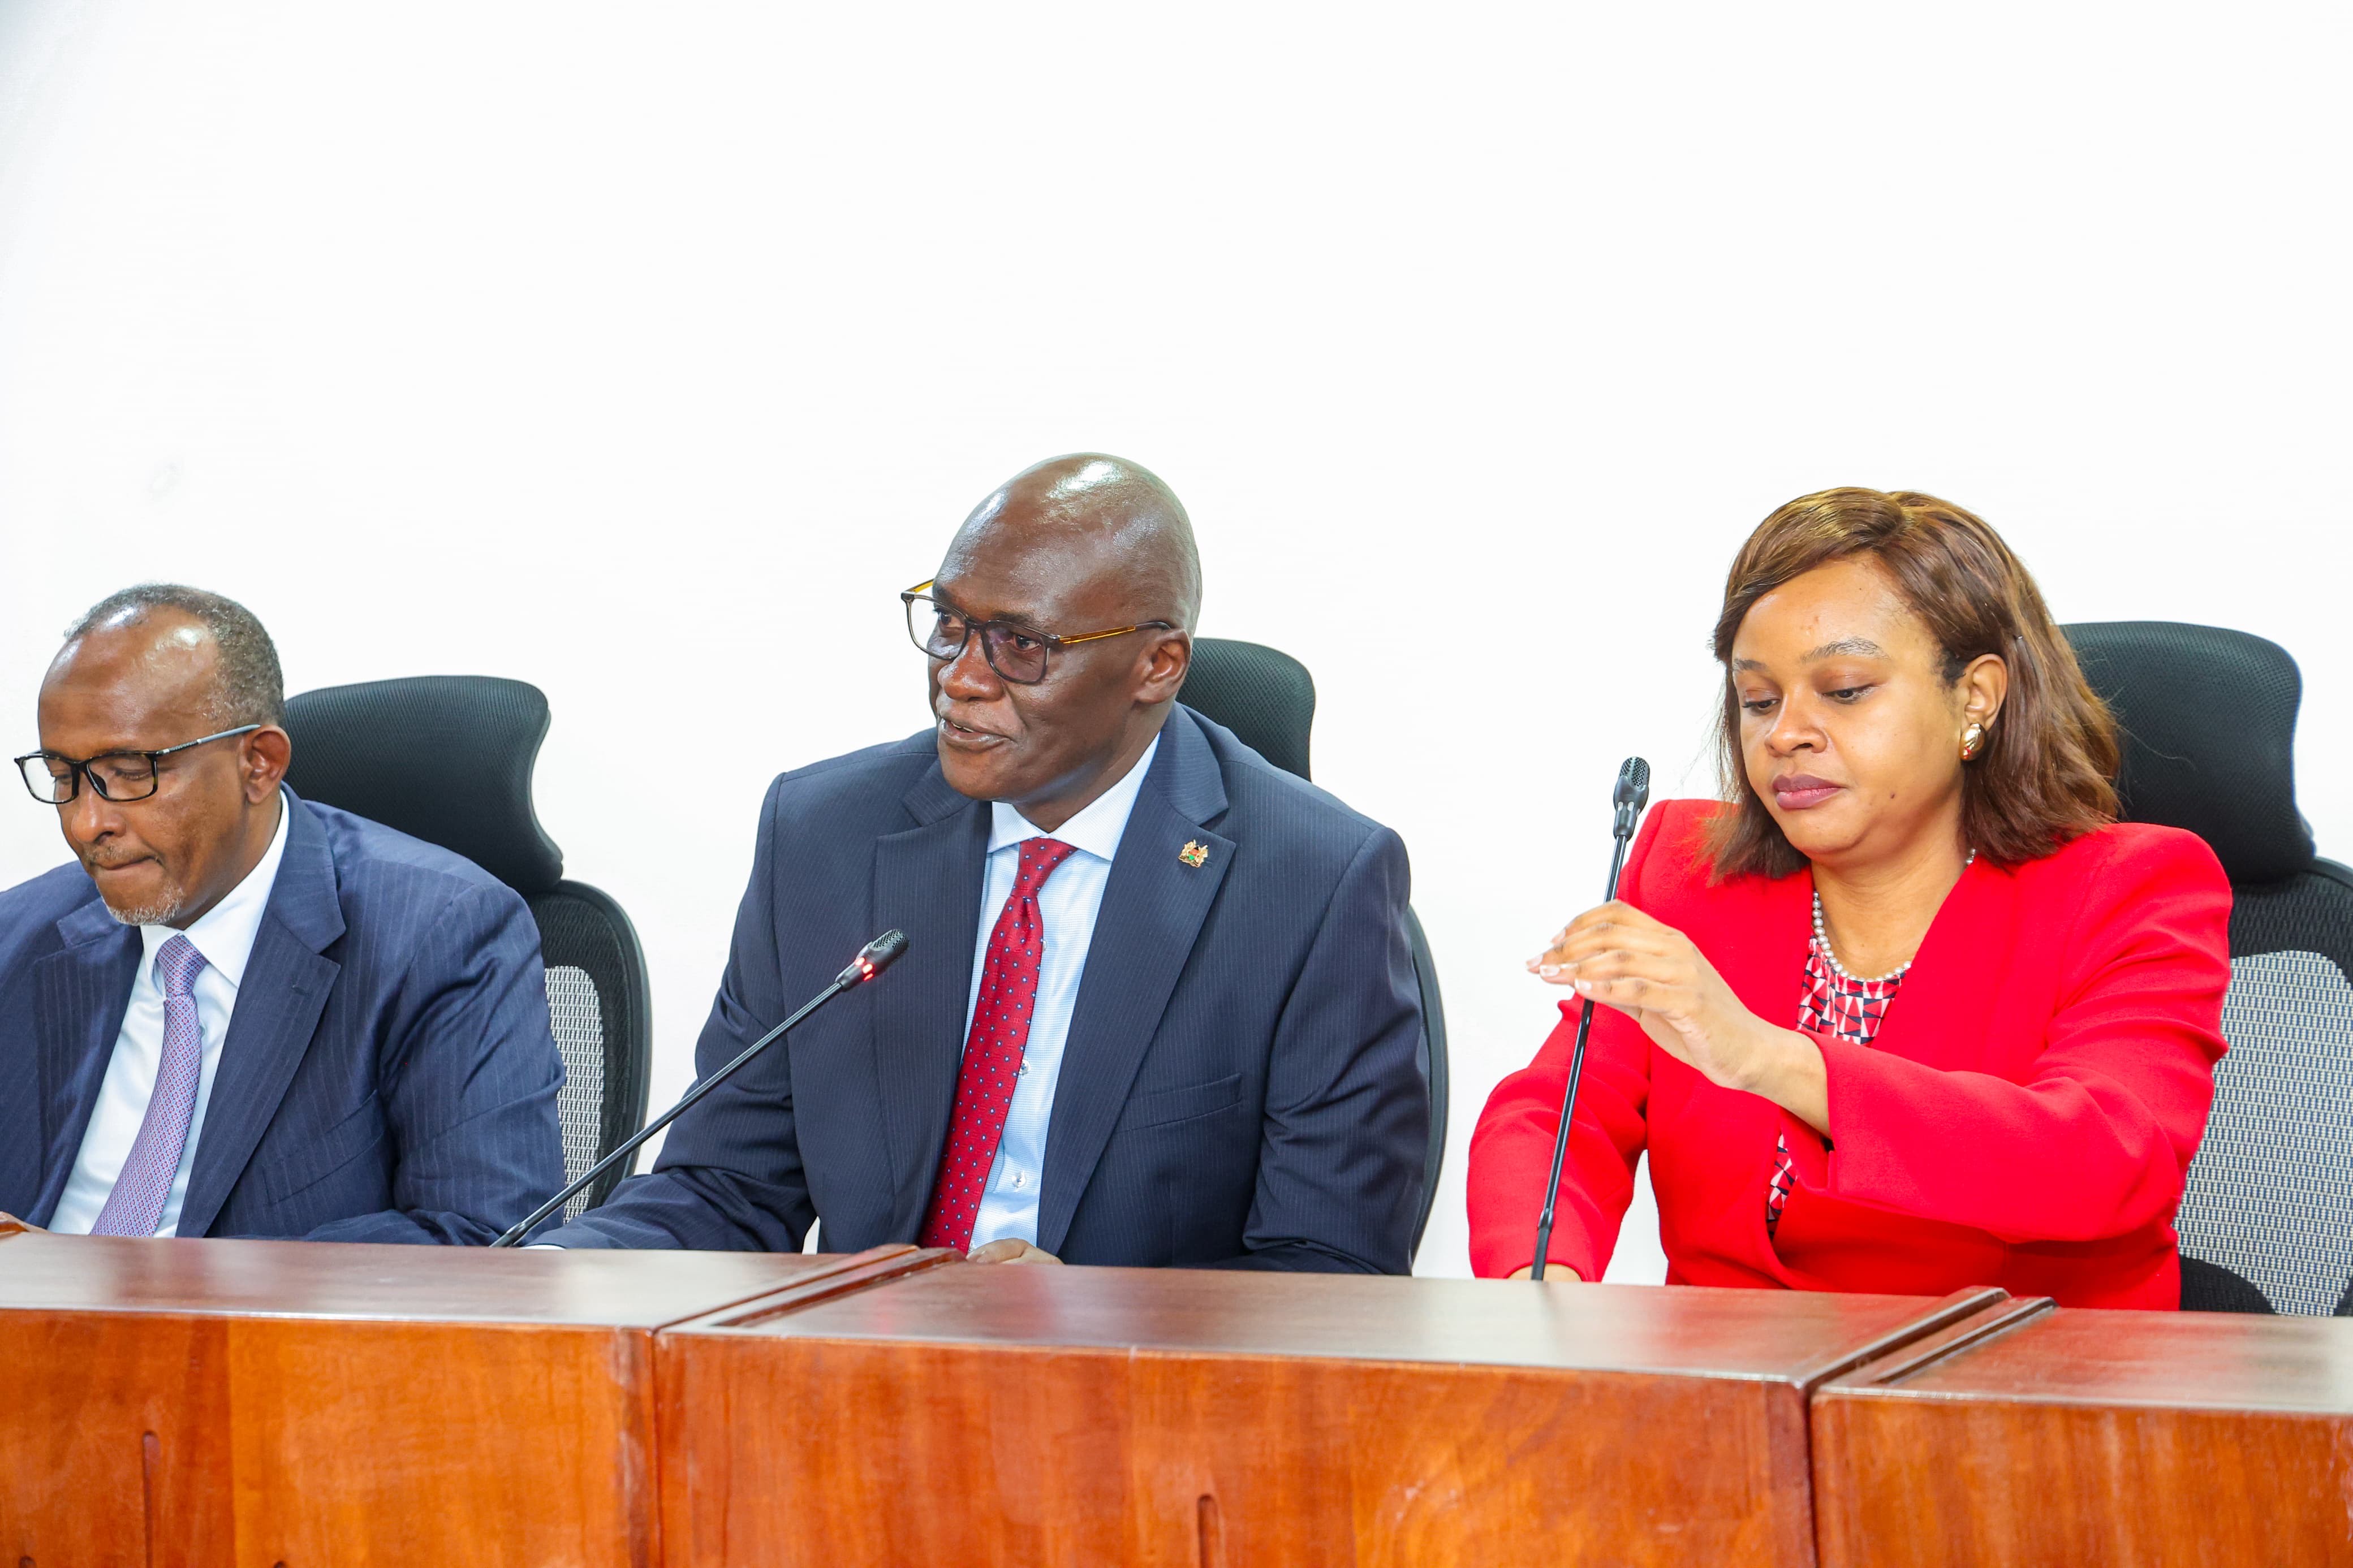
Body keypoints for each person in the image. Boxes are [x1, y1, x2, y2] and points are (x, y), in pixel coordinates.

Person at [534, 453, 1428, 1270]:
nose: (961, 677)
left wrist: (1079, 1315)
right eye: (950, 626)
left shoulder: (1313, 885)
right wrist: (541, 1279)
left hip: (1142, 1415)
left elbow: (1330, 1267)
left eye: (1020, 646)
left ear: (1157, 666)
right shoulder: (825, 835)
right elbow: (726, 1189)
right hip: (866, 1392)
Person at [1467, 489, 2230, 1310]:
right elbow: (1561, 1111)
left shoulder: (2132, 887)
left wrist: (1766, 1056)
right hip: (1732, 1402)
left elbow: (2106, 1162)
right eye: (1758, 699)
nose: (1784, 732)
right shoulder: (1688, 872)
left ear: (1975, 697)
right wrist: (1534, 1286)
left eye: (1845, 688)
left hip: (2019, 1399)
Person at [0, 586, 564, 1243]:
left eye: (130, 772)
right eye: (64, 776)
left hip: (256, 1341)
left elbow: (480, 1238)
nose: (86, 821)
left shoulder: (443, 936)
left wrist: (143, 1291)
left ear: (259, 764)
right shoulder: (21, 937)